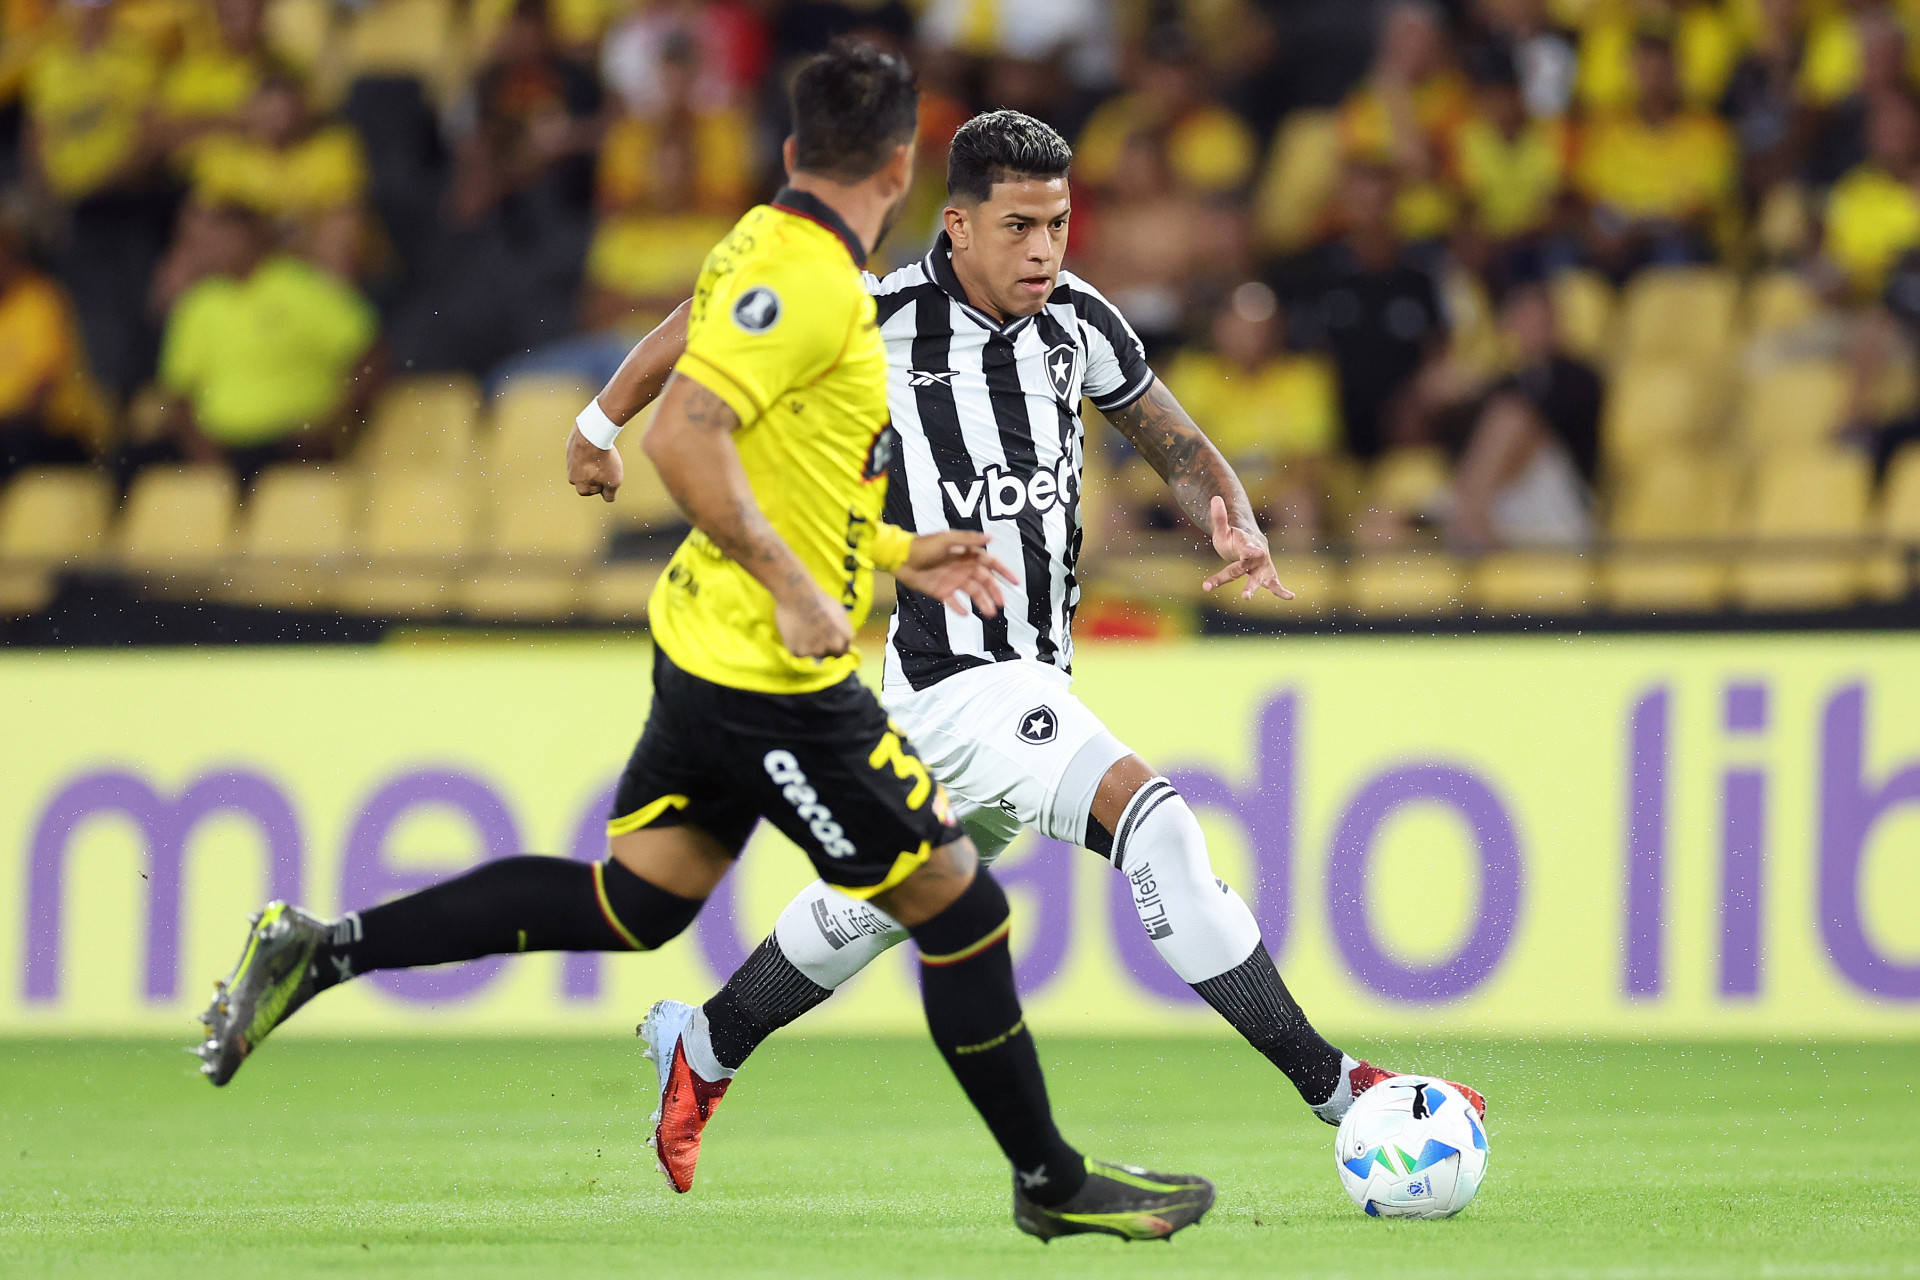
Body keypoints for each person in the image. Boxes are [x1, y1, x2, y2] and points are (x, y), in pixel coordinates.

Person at [193, 45, 1215, 1244]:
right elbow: (692, 437)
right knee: (960, 905)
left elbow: (759, 430)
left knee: (635, 902)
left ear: (790, 155)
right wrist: (791, 583)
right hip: (768, 670)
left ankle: (322, 948)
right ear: (902, 167)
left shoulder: (762, 244)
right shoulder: (827, 286)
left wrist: (888, 553)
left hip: (701, 639)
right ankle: (1048, 1178)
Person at [568, 107, 1487, 1195]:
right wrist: (597, 423)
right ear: (956, 226)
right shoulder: (876, 310)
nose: (1044, 250)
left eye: (1057, 223)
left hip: (1006, 682)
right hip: (961, 676)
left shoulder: (1081, 321)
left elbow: (1173, 437)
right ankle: (1343, 1090)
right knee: (1158, 825)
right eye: (1019, 226)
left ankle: (705, 1043)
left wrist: (1228, 511)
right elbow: (709, 316)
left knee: (883, 899)